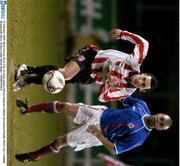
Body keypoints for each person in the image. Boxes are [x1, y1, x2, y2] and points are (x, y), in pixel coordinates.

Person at [13, 28, 158, 102]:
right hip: (91, 57)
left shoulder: (126, 92)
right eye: (144, 79)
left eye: (143, 85)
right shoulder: (134, 63)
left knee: (59, 81)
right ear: (143, 74)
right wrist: (122, 34)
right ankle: (27, 71)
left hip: (90, 76)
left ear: (142, 90)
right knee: (64, 74)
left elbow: (103, 98)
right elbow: (144, 44)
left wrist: (107, 83)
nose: (140, 81)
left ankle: (28, 77)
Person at [15, 96, 172, 163]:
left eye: (161, 124)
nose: (159, 121)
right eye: (161, 118)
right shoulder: (142, 106)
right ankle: (27, 109)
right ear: (159, 114)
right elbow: (123, 97)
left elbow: (115, 150)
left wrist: (99, 136)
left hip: (97, 133)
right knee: (64, 106)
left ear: (159, 129)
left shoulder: (140, 137)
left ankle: (33, 156)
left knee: (58, 142)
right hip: (100, 113)